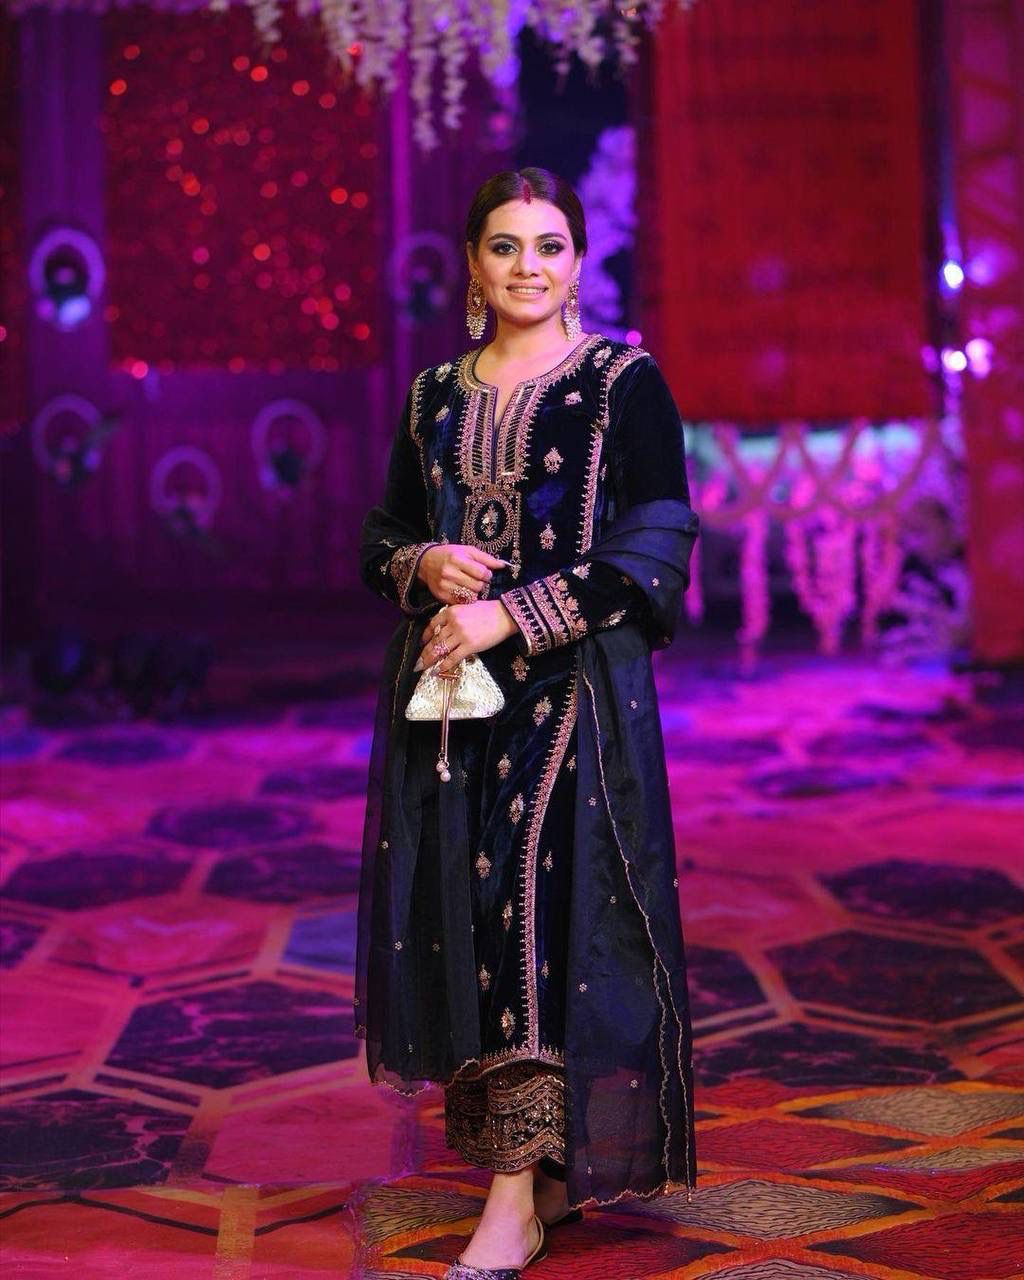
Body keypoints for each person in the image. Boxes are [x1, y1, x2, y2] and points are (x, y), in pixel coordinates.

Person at [356, 167, 699, 1278]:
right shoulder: (434, 396)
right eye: (504, 246)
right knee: (468, 914)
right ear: (472, 262)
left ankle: (515, 1193)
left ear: (579, 260)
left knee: (540, 918)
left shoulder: (621, 384)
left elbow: (657, 541)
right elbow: (380, 535)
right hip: (453, 707)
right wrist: (423, 564)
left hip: (575, 697)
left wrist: (513, 612)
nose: (528, 267)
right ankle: (538, 1167)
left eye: (549, 245)